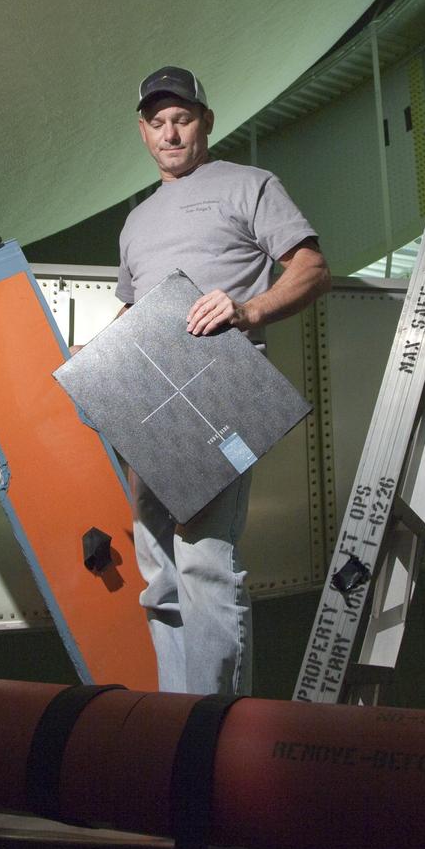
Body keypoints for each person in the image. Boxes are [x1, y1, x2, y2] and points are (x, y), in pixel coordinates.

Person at [115, 64, 330, 696]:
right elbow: (132, 311)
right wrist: (103, 358)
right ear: (143, 131)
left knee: (204, 554)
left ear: (205, 121)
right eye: (157, 123)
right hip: (149, 399)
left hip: (220, 391)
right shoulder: (135, 221)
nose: (170, 134)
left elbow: (311, 268)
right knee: (155, 560)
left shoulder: (249, 185)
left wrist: (247, 309)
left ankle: (214, 718)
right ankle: (176, 714)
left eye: (181, 119)